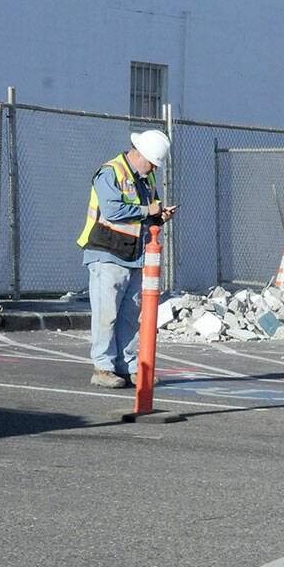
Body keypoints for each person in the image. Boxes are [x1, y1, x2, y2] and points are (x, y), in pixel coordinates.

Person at [77, 130, 177, 388]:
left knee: (130, 316)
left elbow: (146, 214)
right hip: (107, 253)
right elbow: (112, 209)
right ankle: (103, 367)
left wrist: (159, 216)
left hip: (135, 255)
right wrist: (148, 210)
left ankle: (128, 366)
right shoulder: (110, 172)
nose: (154, 167)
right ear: (139, 153)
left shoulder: (146, 177)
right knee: (106, 314)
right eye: (152, 162)